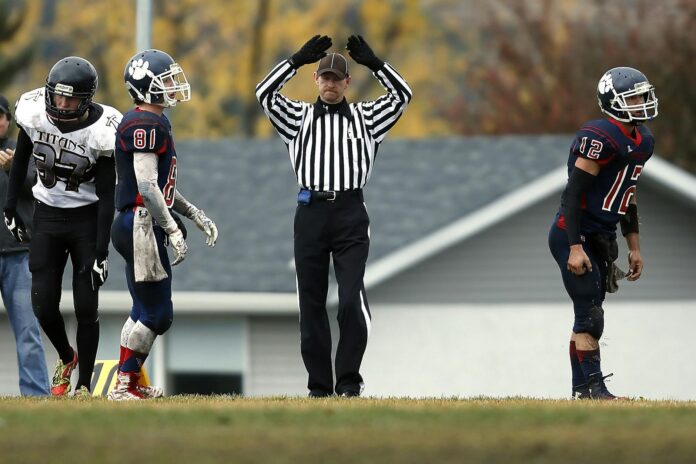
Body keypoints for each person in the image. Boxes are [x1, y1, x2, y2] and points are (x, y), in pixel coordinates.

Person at [256, 35, 412, 397]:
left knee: (349, 299)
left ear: (347, 82)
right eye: (323, 77)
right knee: (310, 303)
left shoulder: (367, 118)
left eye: (335, 78)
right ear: (316, 80)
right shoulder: (298, 117)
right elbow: (264, 93)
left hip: (349, 213)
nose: (329, 83)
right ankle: (319, 387)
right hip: (309, 212)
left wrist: (375, 63)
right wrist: (295, 60)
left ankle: (348, 383)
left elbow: (402, 96)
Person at [3, 57, 121, 397]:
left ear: (86, 99)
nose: (62, 104)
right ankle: (66, 356)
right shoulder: (33, 110)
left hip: (87, 217)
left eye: (70, 99)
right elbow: (22, 155)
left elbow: (106, 193)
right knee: (42, 303)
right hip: (47, 214)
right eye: (58, 97)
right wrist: (11, 207)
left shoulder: (103, 129)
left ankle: (84, 386)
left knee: (86, 305)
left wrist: (101, 251)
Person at [107, 49, 218, 401]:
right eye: (165, 80)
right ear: (145, 86)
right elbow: (146, 186)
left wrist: (195, 215)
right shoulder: (145, 123)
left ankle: (130, 383)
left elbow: (162, 187)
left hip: (137, 221)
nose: (173, 86)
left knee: (143, 309)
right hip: (141, 223)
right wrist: (171, 228)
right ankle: (124, 383)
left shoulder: (157, 121)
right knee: (158, 313)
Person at [549, 67, 658, 400]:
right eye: (634, 97)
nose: (642, 102)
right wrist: (574, 246)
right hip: (574, 233)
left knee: (589, 311)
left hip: (601, 234)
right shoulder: (599, 136)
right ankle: (596, 390)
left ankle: (582, 390)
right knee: (589, 315)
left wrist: (634, 247)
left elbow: (628, 195)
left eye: (643, 95)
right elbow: (572, 194)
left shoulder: (643, 142)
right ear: (614, 102)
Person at [0, 94, 50, 396]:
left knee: (28, 331)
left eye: (2, 115)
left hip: (20, 255)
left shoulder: (23, 150)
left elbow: (41, 186)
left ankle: (36, 395)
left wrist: (11, 170)